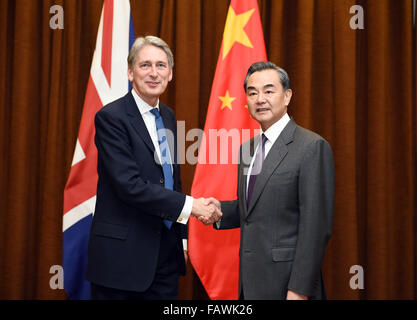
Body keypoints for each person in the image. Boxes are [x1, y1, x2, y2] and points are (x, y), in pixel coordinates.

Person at [86, 36, 221, 300]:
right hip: (121, 263)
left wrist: (181, 240)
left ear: (170, 74)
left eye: (161, 65)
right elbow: (129, 186)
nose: (154, 73)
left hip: (165, 260)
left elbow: (172, 181)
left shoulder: (168, 117)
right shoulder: (111, 118)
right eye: (145, 65)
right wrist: (192, 206)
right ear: (130, 72)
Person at [207, 61, 334, 300]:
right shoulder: (247, 149)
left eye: (268, 91)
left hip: (289, 286)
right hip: (250, 284)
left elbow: (316, 226)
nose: (260, 99)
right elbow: (253, 209)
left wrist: (299, 290)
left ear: (287, 96)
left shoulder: (311, 146)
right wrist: (216, 210)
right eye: (252, 93)